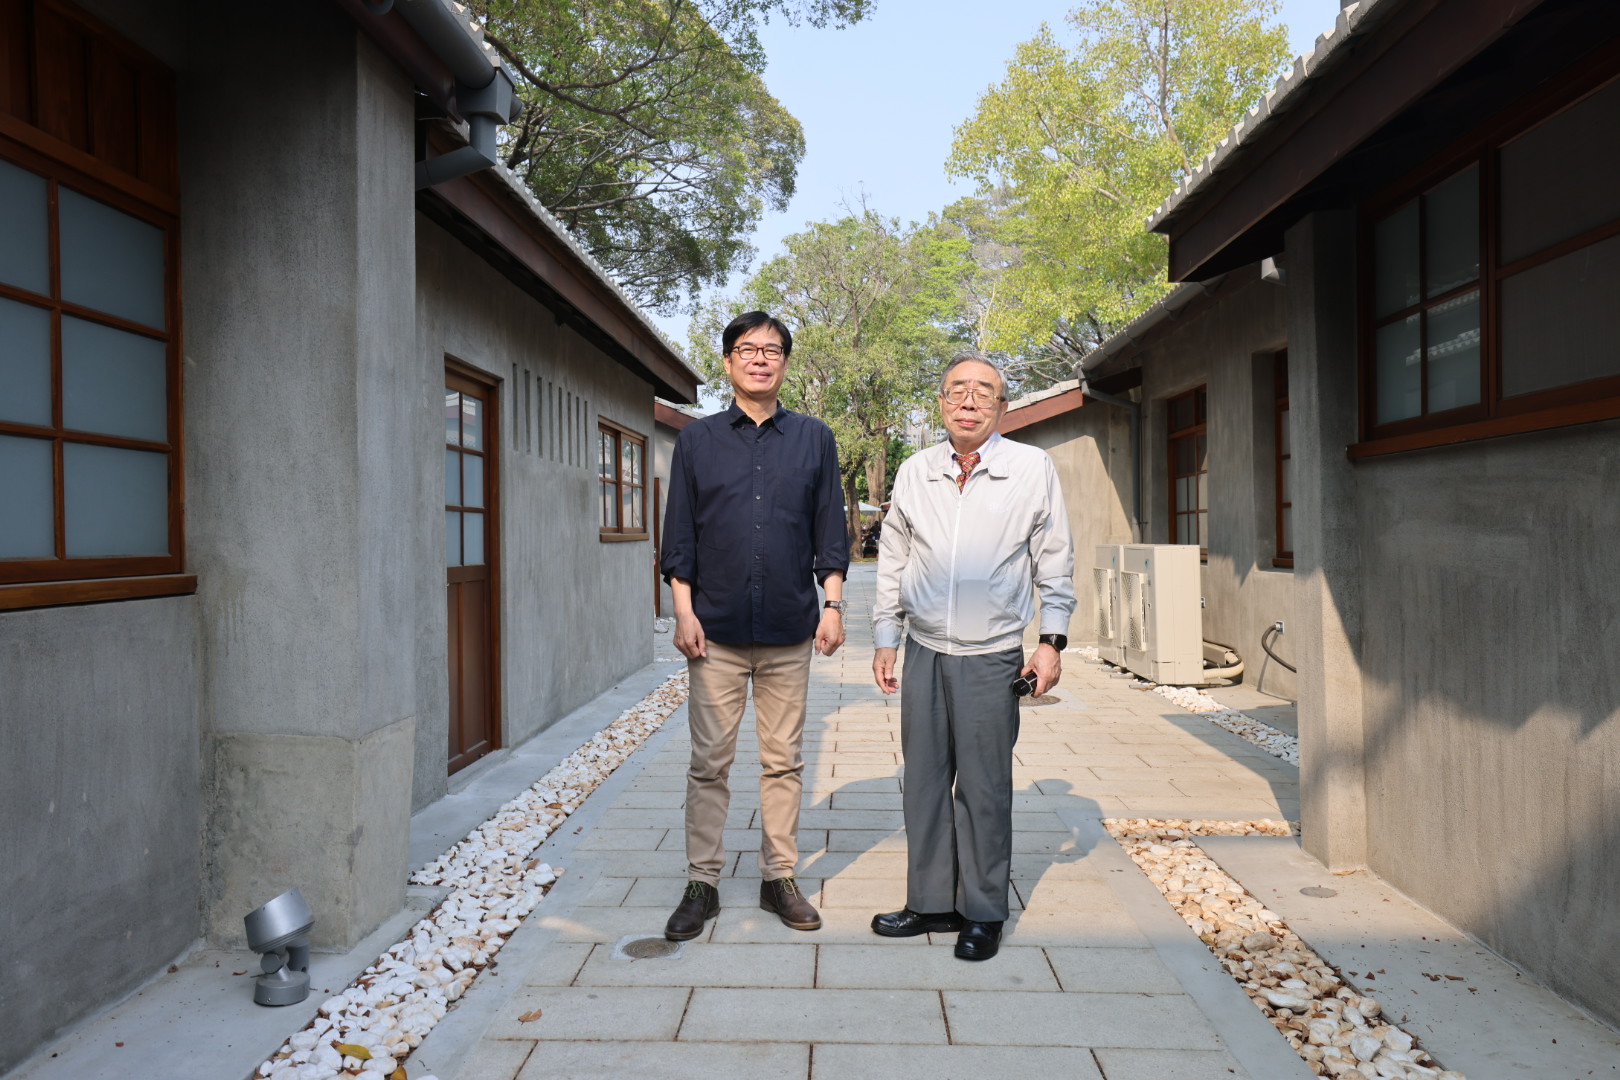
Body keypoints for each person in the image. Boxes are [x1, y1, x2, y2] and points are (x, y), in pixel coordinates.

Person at [869, 351, 1075, 960]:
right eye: (956, 389)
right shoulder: (914, 471)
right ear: (940, 402)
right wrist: (887, 636)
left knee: (984, 786)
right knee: (924, 783)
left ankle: (982, 911)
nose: (968, 400)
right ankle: (930, 902)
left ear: (1002, 406)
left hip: (992, 655)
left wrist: (1051, 640)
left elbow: (1055, 562)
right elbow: (894, 561)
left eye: (983, 391)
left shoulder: (1032, 468)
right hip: (925, 650)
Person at [659, 310, 850, 941]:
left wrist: (833, 604)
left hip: (790, 631)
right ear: (728, 363)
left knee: (783, 762)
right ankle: (702, 883)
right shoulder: (697, 440)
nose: (760, 359)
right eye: (748, 349)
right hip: (712, 633)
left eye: (772, 350)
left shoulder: (815, 439)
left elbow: (829, 529)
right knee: (709, 762)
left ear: (785, 363)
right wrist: (683, 613)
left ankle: (779, 877)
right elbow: (679, 536)